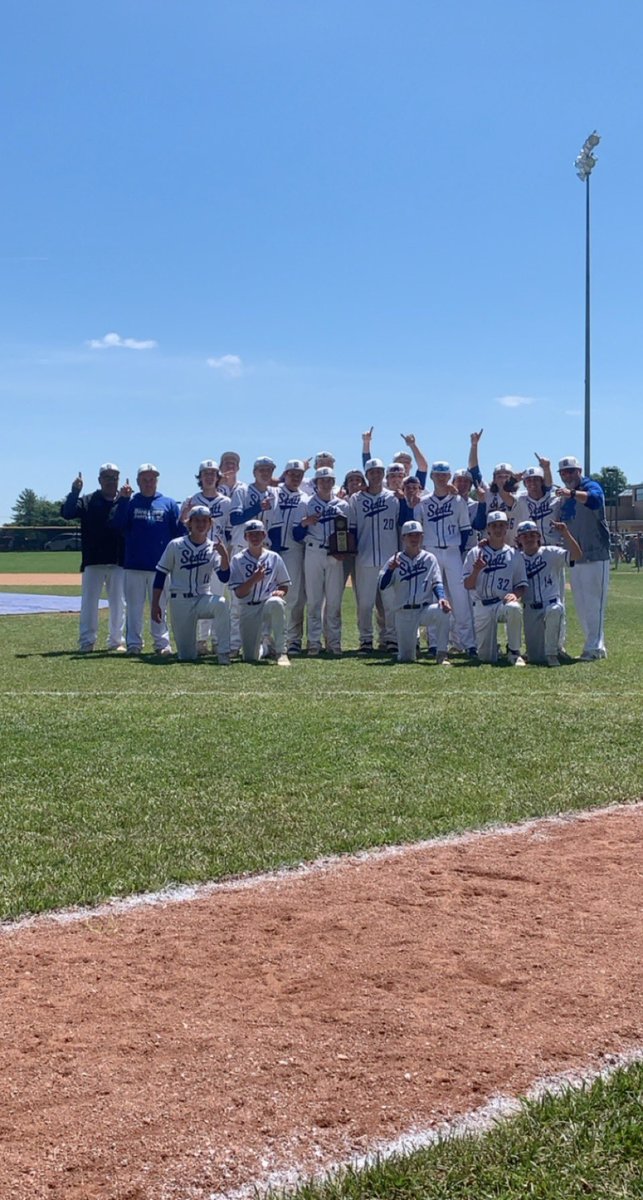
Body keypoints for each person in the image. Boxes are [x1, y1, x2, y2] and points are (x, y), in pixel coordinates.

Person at [109, 464, 182, 655]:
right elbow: (117, 525)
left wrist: (186, 519)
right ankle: (134, 643)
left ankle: (161, 644)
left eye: (152, 479)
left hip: (161, 566)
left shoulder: (168, 503)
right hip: (134, 564)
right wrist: (123, 501)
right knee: (134, 607)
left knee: (160, 606)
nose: (149, 483)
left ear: (157, 481)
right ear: (138, 482)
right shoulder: (131, 502)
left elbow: (178, 533)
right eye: (145, 479)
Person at [152, 506, 231, 663]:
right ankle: (190, 649)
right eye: (197, 521)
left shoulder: (213, 548)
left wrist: (224, 556)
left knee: (221, 604)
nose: (201, 524)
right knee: (187, 656)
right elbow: (161, 574)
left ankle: (223, 653)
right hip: (180, 601)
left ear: (210, 524)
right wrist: (156, 604)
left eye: (205, 521)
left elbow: (224, 577)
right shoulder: (175, 545)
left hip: (203, 598)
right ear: (189, 523)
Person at [60, 463, 126, 652]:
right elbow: (67, 513)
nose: (111, 481)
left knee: (119, 604)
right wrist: (75, 491)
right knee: (89, 603)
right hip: (93, 560)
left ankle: (116, 641)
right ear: (99, 480)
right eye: (107, 477)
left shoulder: (124, 502)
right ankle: (87, 641)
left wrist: (125, 499)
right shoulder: (88, 500)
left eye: (114, 477)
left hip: (118, 560)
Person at [554, 455, 611, 660]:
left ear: (579, 471)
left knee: (595, 603)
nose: (567, 475)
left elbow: (595, 500)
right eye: (563, 473)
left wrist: (571, 493)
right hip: (576, 557)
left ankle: (594, 647)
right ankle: (594, 646)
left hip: (596, 554)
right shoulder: (564, 498)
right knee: (581, 604)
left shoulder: (590, 486)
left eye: (571, 471)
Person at [420, 461, 476, 655]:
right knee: (433, 597)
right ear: (432, 477)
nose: (441, 478)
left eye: (444, 475)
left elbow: (466, 530)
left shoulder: (458, 501)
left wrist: (459, 554)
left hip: (452, 551)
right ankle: (435, 643)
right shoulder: (423, 503)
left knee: (460, 599)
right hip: (431, 551)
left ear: (448, 476)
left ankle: (468, 643)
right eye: (437, 475)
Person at [294, 466, 350, 656]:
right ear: (316, 483)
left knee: (334, 602)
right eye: (322, 480)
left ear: (334, 482)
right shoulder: (306, 503)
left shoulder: (343, 505)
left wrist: (345, 551)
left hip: (335, 555)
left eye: (329, 480)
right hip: (313, 553)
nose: (326, 483)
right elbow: (296, 533)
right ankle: (313, 642)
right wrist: (304, 523)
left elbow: (350, 533)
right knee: (314, 601)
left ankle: (334, 642)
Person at [379, 521, 452, 663]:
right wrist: (391, 570)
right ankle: (411, 647)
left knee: (444, 611)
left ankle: (441, 654)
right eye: (410, 535)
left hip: (423, 610)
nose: (414, 539)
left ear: (422, 537)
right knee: (406, 658)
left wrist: (442, 598)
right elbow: (382, 585)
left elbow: (437, 582)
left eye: (417, 535)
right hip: (403, 612)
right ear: (403, 538)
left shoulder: (429, 559)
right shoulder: (395, 560)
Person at [180, 459, 232, 655]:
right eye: (205, 474)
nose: (209, 477)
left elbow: (228, 532)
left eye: (212, 474)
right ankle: (201, 640)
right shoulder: (191, 500)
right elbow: (182, 528)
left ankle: (217, 640)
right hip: (197, 555)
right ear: (200, 477)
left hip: (217, 554)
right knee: (200, 597)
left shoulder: (226, 502)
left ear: (218, 477)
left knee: (218, 598)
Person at [463, 510, 528, 665]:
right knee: (486, 658)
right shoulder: (475, 552)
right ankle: (494, 647)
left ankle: (514, 651)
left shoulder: (514, 554)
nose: (498, 529)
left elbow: (522, 584)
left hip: (502, 603)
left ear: (506, 528)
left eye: (501, 525)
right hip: (482, 605)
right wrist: (477, 570)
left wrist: (515, 594)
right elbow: (467, 585)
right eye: (494, 526)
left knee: (514, 608)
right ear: (488, 529)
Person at [349, 457, 400, 653]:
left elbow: (399, 526)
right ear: (367, 475)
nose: (376, 475)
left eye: (379, 471)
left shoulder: (394, 498)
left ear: (383, 474)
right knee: (365, 603)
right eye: (372, 472)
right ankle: (365, 640)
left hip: (389, 559)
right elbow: (351, 530)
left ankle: (391, 639)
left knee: (389, 603)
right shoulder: (356, 499)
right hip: (364, 558)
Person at [515, 519, 582, 666]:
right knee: (536, 659)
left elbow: (576, 555)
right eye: (525, 536)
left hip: (550, 604)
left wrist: (565, 533)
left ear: (539, 536)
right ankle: (536, 652)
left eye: (532, 535)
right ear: (518, 539)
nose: (529, 539)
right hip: (530, 608)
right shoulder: (515, 558)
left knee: (555, 609)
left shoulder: (551, 552)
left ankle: (553, 653)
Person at [229, 520, 291, 665]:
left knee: (277, 603)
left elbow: (285, 584)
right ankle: (266, 647)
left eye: (258, 534)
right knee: (250, 657)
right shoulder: (237, 559)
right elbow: (239, 593)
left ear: (264, 535)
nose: (255, 538)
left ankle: (281, 652)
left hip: (267, 603)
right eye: (251, 535)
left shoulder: (274, 557)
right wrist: (254, 579)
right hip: (248, 607)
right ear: (245, 537)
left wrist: (280, 592)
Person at [264, 459, 307, 656]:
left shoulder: (305, 498)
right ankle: (266, 639)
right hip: (270, 550)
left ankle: (293, 639)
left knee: (294, 596)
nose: (296, 478)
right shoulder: (273, 492)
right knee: (265, 595)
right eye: (292, 474)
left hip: (293, 549)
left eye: (299, 475)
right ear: (285, 474)